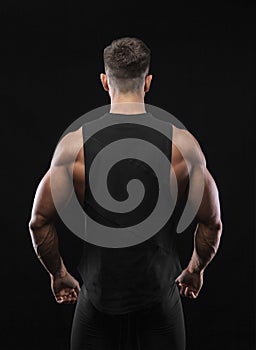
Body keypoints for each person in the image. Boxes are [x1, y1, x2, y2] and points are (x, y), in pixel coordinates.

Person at [29, 37, 223, 350]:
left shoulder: (73, 147)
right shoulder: (183, 146)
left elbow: (39, 222)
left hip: (97, 300)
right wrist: (195, 270)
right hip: (160, 299)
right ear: (148, 83)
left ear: (105, 82)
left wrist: (59, 274)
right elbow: (212, 222)